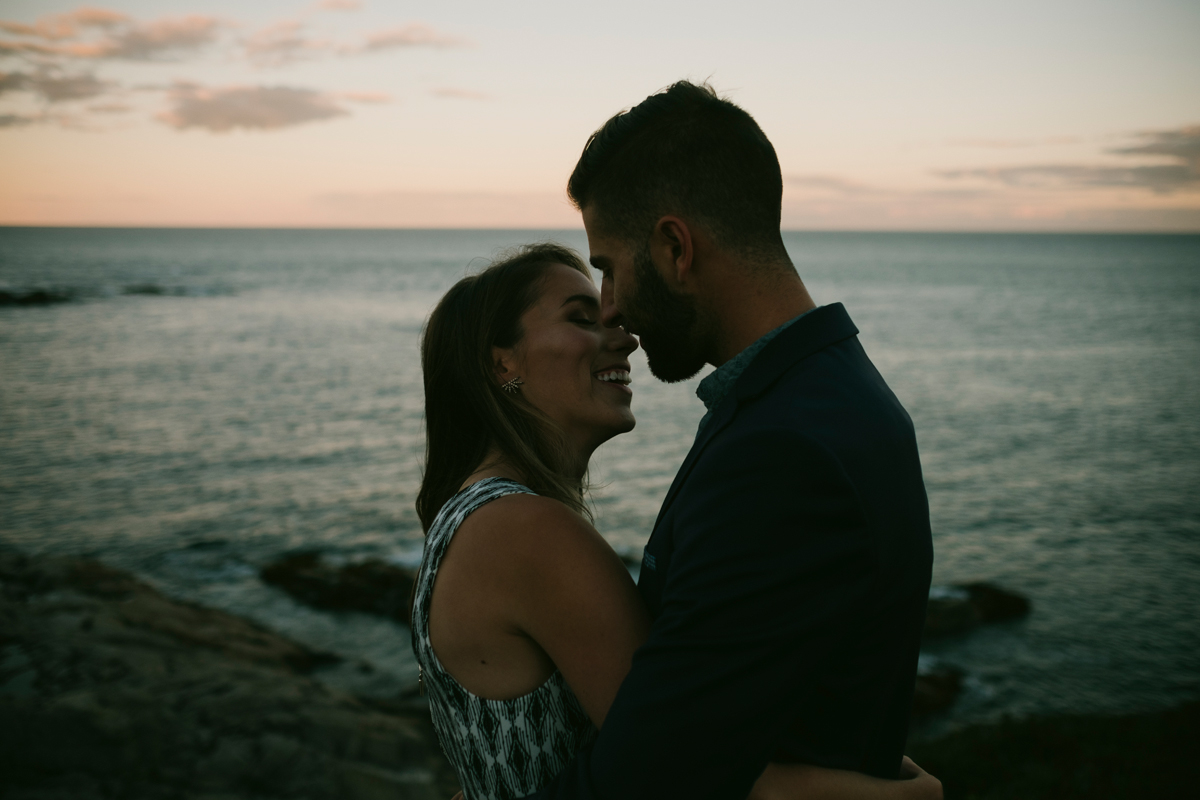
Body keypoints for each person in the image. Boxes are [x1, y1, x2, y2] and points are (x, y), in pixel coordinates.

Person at [519, 82, 936, 799]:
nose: (611, 308)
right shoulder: (830, 395)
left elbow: (651, 781)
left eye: (611, 269)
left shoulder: (784, 451)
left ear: (675, 248)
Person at [411, 243, 939, 800]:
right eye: (580, 318)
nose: (624, 336)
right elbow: (680, 773)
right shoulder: (528, 531)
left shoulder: (466, 518)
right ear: (503, 363)